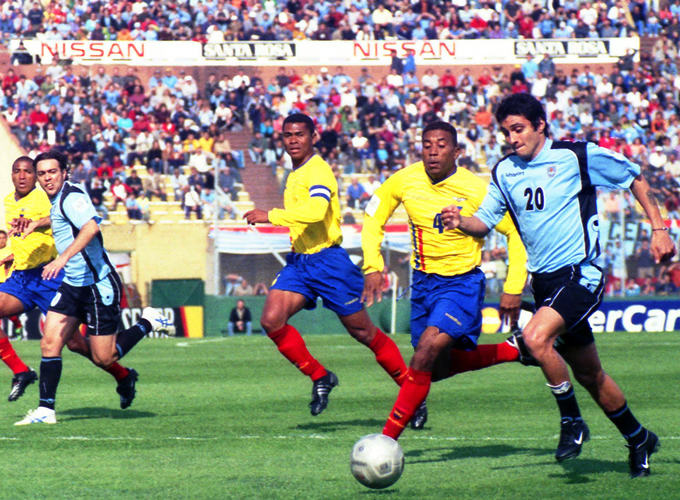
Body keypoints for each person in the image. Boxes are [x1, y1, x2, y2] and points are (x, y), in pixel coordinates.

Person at [442, 93, 676, 478]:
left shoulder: (575, 156)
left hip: (581, 273)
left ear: (540, 126)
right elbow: (484, 221)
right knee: (590, 375)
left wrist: (660, 228)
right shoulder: (505, 171)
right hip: (546, 284)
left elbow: (634, 177)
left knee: (534, 339)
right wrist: (459, 220)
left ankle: (572, 422)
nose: (512, 138)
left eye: (518, 129)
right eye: (506, 132)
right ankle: (638, 437)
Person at [362, 121, 529, 440]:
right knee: (432, 370)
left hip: (461, 285)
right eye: (427, 144)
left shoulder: (477, 188)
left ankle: (386, 440)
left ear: (457, 151)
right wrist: (372, 266)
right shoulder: (405, 180)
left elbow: (514, 234)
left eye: (441, 144)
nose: (433, 151)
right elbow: (373, 217)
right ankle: (513, 350)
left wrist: (513, 286)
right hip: (423, 284)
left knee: (424, 352)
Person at [243, 113, 409, 417]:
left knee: (364, 334)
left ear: (313, 137)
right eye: (288, 135)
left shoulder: (318, 171)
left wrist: (272, 216)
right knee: (271, 320)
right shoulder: (294, 174)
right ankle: (321, 377)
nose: (293, 140)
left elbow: (318, 210)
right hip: (300, 262)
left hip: (329, 263)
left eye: (300, 135)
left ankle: (412, 393)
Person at [15, 151, 176, 426]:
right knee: (50, 341)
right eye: (41, 174)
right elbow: (61, 219)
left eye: (52, 172)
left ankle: (149, 322)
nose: (46, 178)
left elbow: (89, 227)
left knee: (105, 357)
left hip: (98, 285)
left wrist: (62, 258)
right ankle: (46, 410)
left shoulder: (72, 196)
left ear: (65, 172)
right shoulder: (56, 200)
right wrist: (35, 224)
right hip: (73, 285)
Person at [0, 156, 143, 407]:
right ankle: (21, 372)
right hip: (22, 278)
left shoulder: (49, 195)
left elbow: (63, 222)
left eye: (28, 171)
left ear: (37, 176)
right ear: (11, 175)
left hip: (50, 276)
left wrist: (46, 236)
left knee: (76, 344)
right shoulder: (8, 201)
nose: (22, 176)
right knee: (53, 342)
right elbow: (35, 231)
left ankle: (123, 374)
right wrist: (15, 252)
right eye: (16, 171)